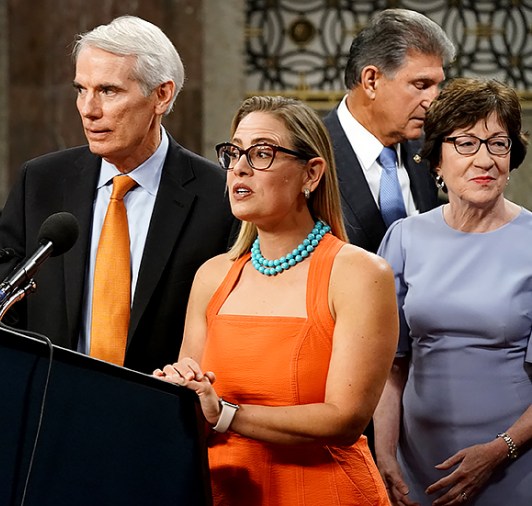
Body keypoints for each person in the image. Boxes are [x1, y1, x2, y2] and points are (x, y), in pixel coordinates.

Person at [155, 95, 398, 505]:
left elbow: (345, 418)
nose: (240, 168)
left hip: (324, 492)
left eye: (262, 153)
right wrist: (177, 395)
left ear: (312, 173)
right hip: (224, 490)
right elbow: (196, 402)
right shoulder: (212, 275)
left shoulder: (359, 273)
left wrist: (226, 414)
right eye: (233, 154)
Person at [0, 16, 236, 373]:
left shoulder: (218, 196)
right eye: (81, 89)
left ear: (161, 95)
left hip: (160, 411)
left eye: (108, 91)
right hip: (52, 407)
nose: (89, 110)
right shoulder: (42, 181)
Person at [373, 78, 532, 506]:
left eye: (498, 144)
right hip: (415, 467)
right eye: (466, 143)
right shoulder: (403, 238)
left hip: (515, 465)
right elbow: (391, 369)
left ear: (511, 157)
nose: (484, 159)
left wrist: (499, 452)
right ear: (437, 158)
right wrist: (384, 454)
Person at [324, 8, 455, 253]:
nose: (433, 101)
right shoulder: (308, 154)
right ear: (371, 81)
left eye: (437, 86)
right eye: (421, 85)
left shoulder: (429, 150)